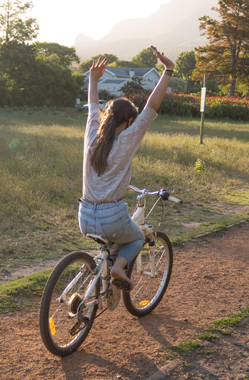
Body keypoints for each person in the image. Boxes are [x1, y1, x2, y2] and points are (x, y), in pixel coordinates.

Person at [79, 46, 174, 291]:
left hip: (85, 216)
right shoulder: (127, 141)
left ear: (106, 116)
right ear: (130, 121)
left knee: (110, 240)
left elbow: (92, 106)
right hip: (111, 217)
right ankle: (118, 267)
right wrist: (168, 70)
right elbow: (151, 107)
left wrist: (93, 79)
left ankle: (98, 282)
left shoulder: (92, 135)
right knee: (137, 239)